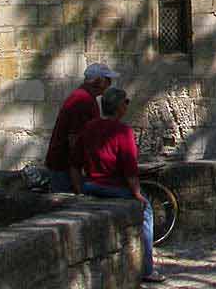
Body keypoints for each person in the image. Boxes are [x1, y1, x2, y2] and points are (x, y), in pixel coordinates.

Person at [73, 87, 164, 284]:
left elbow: (75, 162)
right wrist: (138, 194)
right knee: (146, 210)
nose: (127, 106)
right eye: (126, 102)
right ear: (119, 107)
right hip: (113, 188)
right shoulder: (123, 132)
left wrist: (80, 188)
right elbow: (129, 168)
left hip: (90, 186)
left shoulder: (89, 127)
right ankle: (148, 268)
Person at [44, 62, 118, 193]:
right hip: (64, 167)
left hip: (68, 166)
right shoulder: (82, 100)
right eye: (107, 80)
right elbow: (75, 139)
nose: (109, 84)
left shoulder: (86, 98)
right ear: (98, 81)